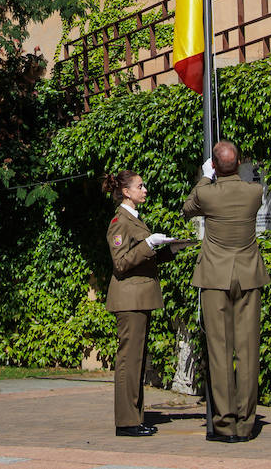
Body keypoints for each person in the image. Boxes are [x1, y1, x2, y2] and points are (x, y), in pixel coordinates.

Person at [182, 139, 268, 443]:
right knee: (247, 352)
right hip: (248, 276)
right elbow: (240, 188)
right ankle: (246, 424)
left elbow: (187, 208)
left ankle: (224, 423)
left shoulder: (206, 193)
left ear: (215, 165)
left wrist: (206, 175)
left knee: (219, 351)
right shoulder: (254, 192)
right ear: (241, 162)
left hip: (216, 277)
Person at [103, 169, 178, 437]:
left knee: (137, 361)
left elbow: (143, 260)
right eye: (140, 186)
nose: (145, 190)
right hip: (129, 298)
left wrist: (169, 250)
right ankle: (126, 422)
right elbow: (122, 262)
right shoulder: (119, 222)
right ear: (126, 192)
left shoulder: (134, 219)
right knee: (128, 361)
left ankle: (135, 417)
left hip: (139, 296)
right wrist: (148, 243)